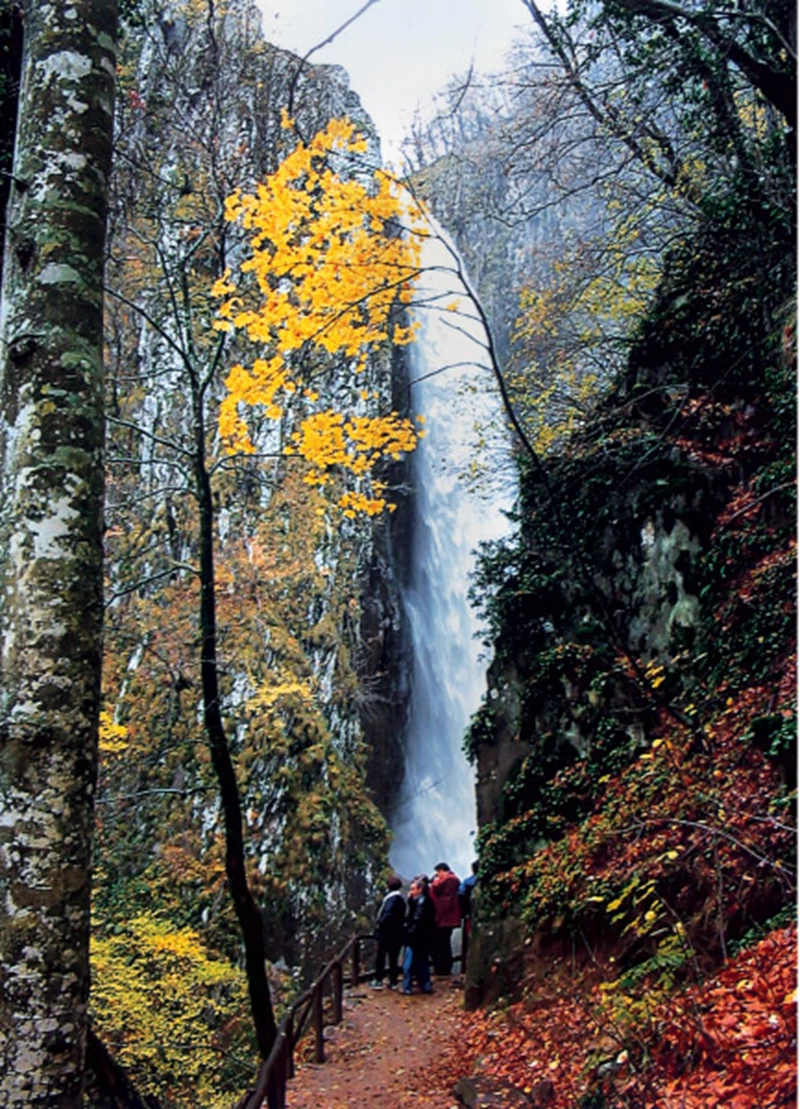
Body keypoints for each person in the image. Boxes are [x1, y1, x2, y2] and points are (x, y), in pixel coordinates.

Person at [402, 875, 436, 995]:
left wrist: (409, 934)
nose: (410, 892)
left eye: (412, 889)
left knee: (409, 963)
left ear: (419, 890)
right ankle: (425, 985)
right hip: (425, 938)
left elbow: (416, 920)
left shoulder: (420, 903)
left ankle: (407, 987)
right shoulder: (426, 901)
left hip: (415, 939)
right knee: (423, 962)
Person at [371, 874, 406, 989]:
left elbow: (388, 915)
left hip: (387, 934)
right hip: (397, 934)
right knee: (393, 958)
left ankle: (378, 980)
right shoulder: (400, 899)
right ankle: (393, 981)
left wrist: (380, 925)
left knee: (381, 957)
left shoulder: (392, 899)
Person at [429, 862, 461, 975]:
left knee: (441, 943)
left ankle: (442, 968)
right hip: (451, 918)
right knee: (445, 942)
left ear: (443, 870)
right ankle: (446, 967)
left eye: (438, 872)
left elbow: (435, 889)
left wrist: (434, 882)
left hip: (443, 917)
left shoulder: (447, 880)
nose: (438, 875)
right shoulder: (456, 880)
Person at [458, 862, 478, 967]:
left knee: (467, 940)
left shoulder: (467, 882)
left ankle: (465, 966)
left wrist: (463, 912)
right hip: (477, 914)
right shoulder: (484, 882)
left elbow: (461, 894)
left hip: (469, 915)